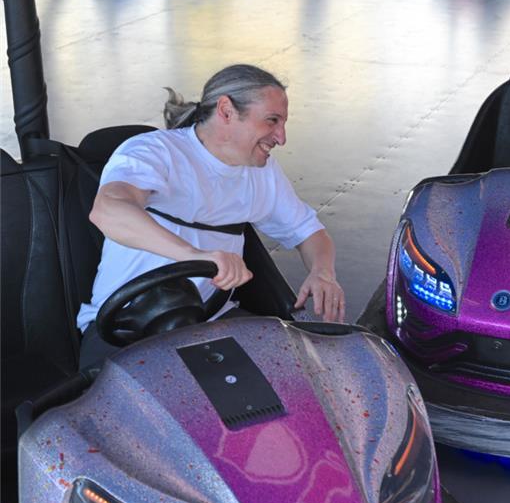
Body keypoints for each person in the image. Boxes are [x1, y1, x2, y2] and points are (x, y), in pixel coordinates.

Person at [77, 64, 345, 367]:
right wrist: (196, 256)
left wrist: (323, 271)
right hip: (126, 326)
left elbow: (309, 232)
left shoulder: (262, 172)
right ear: (227, 111)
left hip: (210, 318)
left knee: (303, 376)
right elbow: (108, 209)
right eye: (272, 121)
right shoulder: (155, 152)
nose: (281, 137)